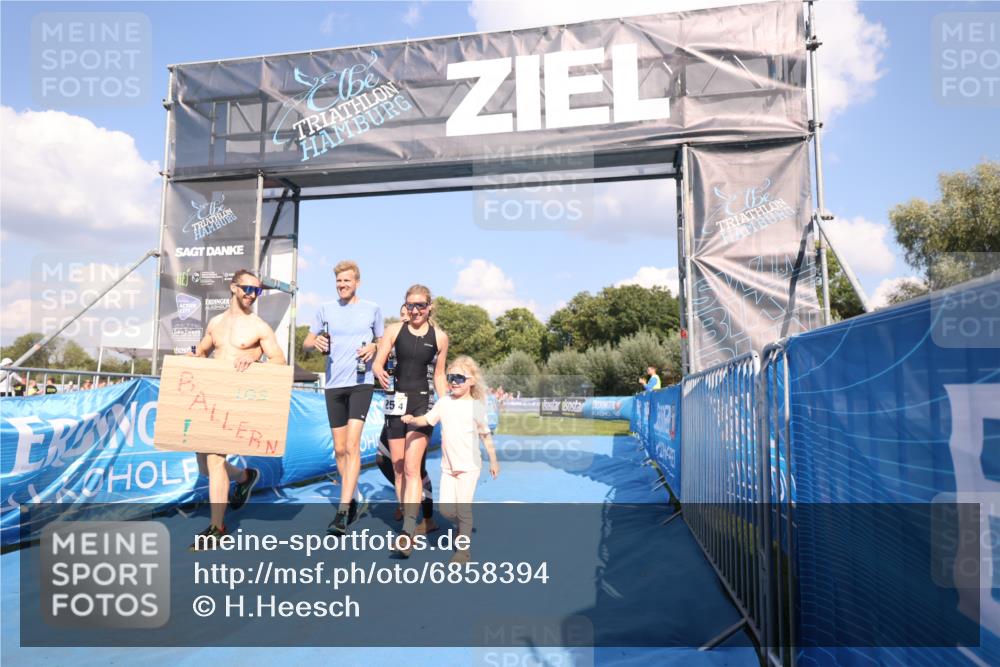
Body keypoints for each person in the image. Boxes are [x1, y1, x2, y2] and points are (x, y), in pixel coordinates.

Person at [189, 269, 287, 547]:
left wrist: (257, 364)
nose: (251, 294)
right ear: (233, 288)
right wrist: (193, 354)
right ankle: (245, 477)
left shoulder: (259, 327)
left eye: (256, 290)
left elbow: (279, 360)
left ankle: (216, 527)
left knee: (216, 459)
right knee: (206, 466)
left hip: (238, 399)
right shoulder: (216, 322)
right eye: (246, 288)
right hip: (212, 396)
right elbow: (203, 350)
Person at [302, 260, 383, 536]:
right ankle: (354, 495)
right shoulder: (325, 309)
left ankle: (343, 509)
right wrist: (316, 342)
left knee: (351, 445)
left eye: (346, 281)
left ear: (357, 282)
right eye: (338, 281)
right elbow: (307, 341)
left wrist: (374, 345)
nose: (342, 285)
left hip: (361, 384)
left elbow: (384, 341)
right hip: (334, 386)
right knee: (338, 450)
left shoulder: (372, 309)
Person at [402, 355, 499, 562]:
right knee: (446, 510)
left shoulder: (476, 407)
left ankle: (463, 549)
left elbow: (485, 435)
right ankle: (462, 525)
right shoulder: (444, 403)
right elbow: (427, 419)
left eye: (460, 377)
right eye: (450, 377)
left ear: (471, 380)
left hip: (470, 467)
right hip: (448, 468)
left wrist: (493, 459)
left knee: (463, 508)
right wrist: (413, 420)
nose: (454, 381)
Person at [373, 284, 449, 547]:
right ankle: (410, 516)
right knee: (398, 468)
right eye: (410, 305)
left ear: (429, 307)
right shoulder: (394, 330)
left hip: (422, 404)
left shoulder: (440, 337)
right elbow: (378, 361)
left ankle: (407, 531)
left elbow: (439, 375)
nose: (415, 310)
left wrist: (446, 406)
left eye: (420, 305)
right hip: (395, 404)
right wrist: (377, 369)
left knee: (411, 467)